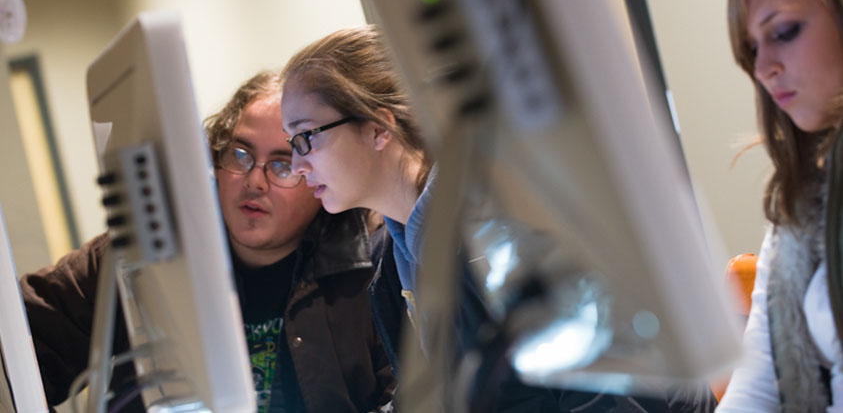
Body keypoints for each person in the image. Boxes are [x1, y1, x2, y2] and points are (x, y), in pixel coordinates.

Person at [280, 24, 717, 412]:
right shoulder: (388, 262)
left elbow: (609, 395)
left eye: (305, 137)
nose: (297, 166)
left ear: (379, 127)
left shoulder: (509, 224)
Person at [20, 71, 395, 412]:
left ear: (315, 177)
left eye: (282, 164)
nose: (254, 180)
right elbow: (18, 344)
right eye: (241, 154)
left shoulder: (372, 266)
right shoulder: (137, 255)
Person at [717, 0, 843, 411]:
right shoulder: (802, 202)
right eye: (752, 48)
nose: (763, 67)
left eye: (785, 31)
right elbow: (759, 381)